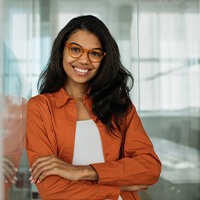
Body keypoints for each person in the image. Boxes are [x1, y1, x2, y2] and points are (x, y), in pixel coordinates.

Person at [25, 15, 161, 200]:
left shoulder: (119, 105)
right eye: (75, 50)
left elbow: (150, 167)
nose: (84, 60)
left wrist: (82, 172)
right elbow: (51, 189)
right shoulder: (40, 108)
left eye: (95, 53)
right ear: (61, 51)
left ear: (104, 59)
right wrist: (118, 187)